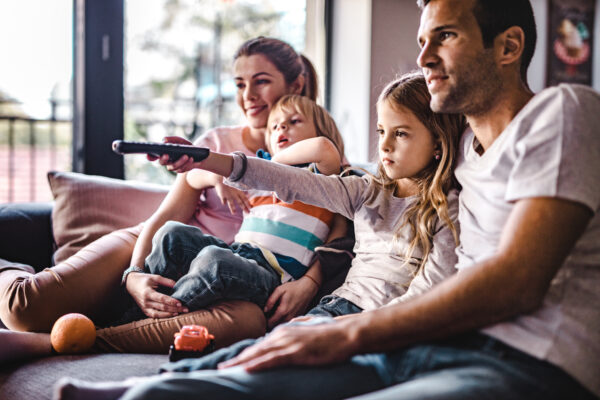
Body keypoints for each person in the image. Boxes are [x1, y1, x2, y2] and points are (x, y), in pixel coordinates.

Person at [54, 0, 600, 399]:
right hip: (432, 343)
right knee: (186, 389)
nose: (424, 56)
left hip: (528, 363)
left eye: (446, 37)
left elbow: (516, 281)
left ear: (507, 46)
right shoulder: (460, 154)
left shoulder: (563, 111)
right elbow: (300, 179)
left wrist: (345, 332)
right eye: (421, 40)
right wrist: (207, 160)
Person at [53, 71, 467, 400]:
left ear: (438, 142)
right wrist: (209, 161)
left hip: (371, 322)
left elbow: (429, 292)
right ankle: (145, 386)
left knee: (265, 361)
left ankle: (143, 385)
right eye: (381, 132)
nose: (385, 146)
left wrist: (360, 331)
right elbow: (285, 180)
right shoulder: (366, 190)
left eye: (401, 133)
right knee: (251, 353)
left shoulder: (449, 213)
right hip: (332, 307)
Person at [0, 36, 331, 361]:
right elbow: (166, 218)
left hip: (231, 282)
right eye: (240, 84)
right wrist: (134, 274)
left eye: (261, 82)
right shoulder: (217, 142)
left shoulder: (324, 163)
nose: (248, 96)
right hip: (154, 252)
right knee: (23, 309)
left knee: (249, 322)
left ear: (297, 83)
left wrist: (309, 283)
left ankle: (73, 341)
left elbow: (342, 234)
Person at [114, 94, 348, 326]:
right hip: (237, 253)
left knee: (214, 261)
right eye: (274, 126)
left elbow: (324, 148)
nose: (281, 127)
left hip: (273, 275)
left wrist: (274, 162)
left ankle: (144, 323)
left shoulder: (322, 180)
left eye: (294, 121)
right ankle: (142, 306)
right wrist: (215, 176)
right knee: (171, 234)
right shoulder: (263, 178)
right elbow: (194, 177)